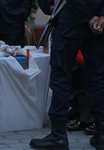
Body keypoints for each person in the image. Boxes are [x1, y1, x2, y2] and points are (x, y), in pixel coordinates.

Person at [29, 0, 104, 150]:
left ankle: (58, 137)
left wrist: (90, 18)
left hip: (70, 22)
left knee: (61, 79)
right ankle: (101, 136)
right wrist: (101, 16)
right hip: (95, 23)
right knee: (98, 79)